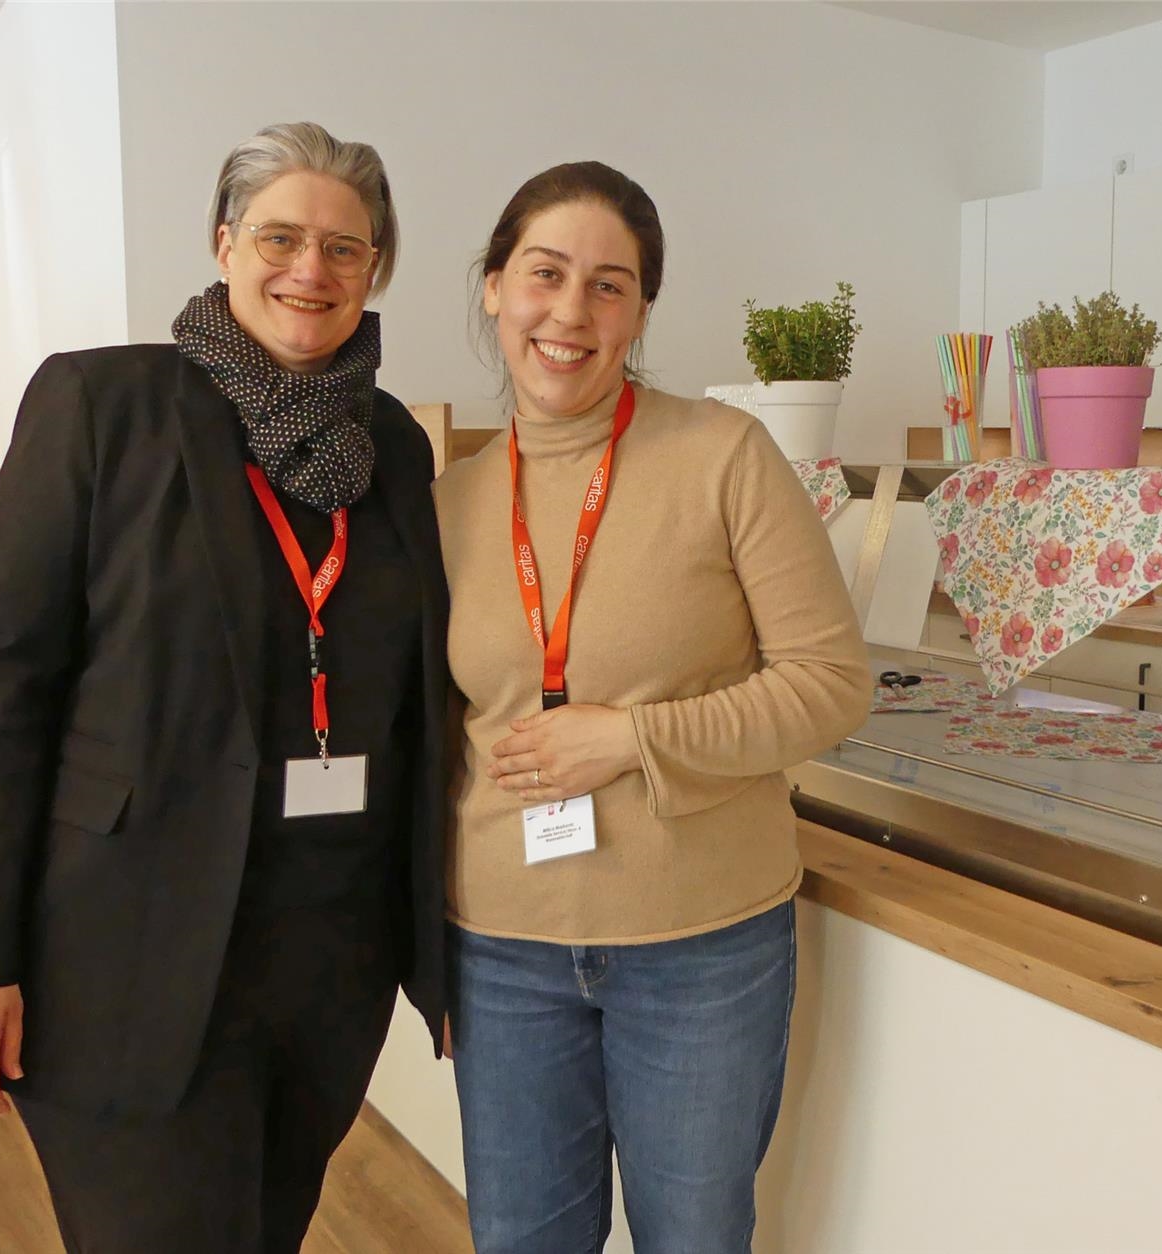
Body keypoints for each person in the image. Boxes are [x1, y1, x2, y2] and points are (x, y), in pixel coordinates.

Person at [0, 122, 449, 1253]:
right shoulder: (101, 406)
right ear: (223, 244)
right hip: (125, 955)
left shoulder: (394, 447)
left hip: (326, 957)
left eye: (344, 249)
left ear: (375, 271)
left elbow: (417, 698)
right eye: (279, 236)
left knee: (264, 1227)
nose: (309, 270)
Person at [433, 161, 872, 1254]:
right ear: (494, 287)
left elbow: (830, 686)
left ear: (638, 311)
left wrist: (631, 738)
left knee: (693, 1236)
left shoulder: (725, 457)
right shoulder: (444, 501)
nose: (570, 312)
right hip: (501, 948)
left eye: (609, 285)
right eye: (543, 274)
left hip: (702, 945)